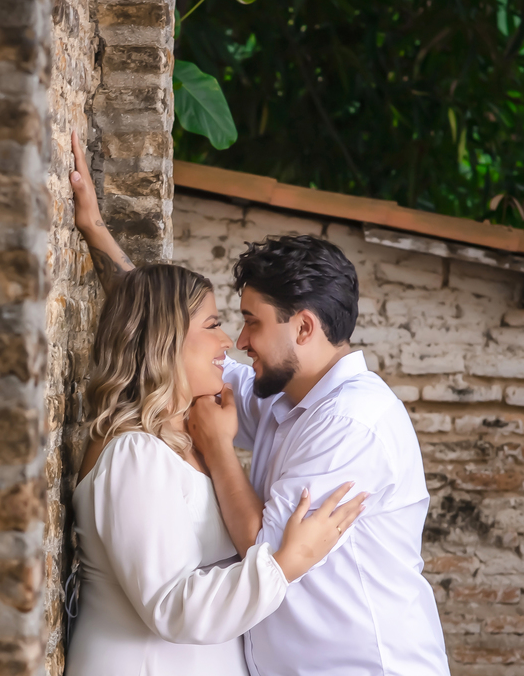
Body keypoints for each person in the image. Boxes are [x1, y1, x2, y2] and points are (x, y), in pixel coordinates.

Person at [68, 133, 450, 676]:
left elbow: (265, 553)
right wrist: (97, 234)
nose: (238, 343)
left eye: (250, 322)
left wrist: (220, 449)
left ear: (304, 326)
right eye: (229, 322)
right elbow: (159, 327)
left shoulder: (349, 423)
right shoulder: (281, 396)